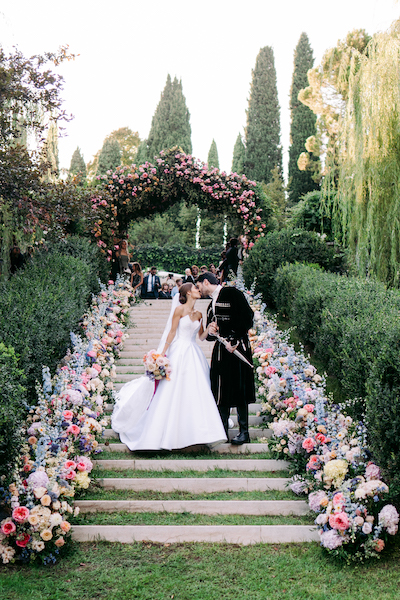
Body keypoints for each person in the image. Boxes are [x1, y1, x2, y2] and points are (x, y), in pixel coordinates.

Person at [111, 283, 227, 450]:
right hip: (179, 352)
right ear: (188, 292)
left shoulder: (200, 314)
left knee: (196, 390)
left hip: (193, 353)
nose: (198, 290)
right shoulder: (179, 311)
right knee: (173, 390)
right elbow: (172, 332)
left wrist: (209, 329)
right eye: (195, 288)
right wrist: (162, 354)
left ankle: (198, 434)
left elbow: (201, 336)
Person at [196, 272, 256, 445]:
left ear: (206, 282)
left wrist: (236, 340)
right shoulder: (210, 305)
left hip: (238, 349)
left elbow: (247, 318)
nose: (199, 290)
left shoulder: (232, 293)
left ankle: (244, 433)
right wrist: (211, 330)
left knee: (240, 388)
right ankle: (222, 431)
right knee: (220, 389)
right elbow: (209, 336)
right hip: (221, 352)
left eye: (199, 286)